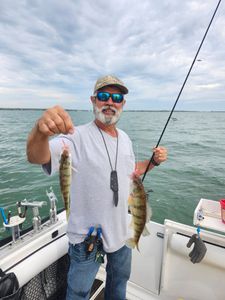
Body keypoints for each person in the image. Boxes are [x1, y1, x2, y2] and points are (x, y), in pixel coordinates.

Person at [26, 75, 167, 300]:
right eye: (103, 96)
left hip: (122, 233)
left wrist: (154, 162)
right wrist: (40, 132)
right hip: (86, 240)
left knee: (119, 283)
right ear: (93, 100)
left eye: (116, 98)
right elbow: (37, 156)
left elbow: (132, 170)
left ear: (123, 104)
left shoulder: (126, 139)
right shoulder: (76, 136)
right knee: (78, 293)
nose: (110, 102)